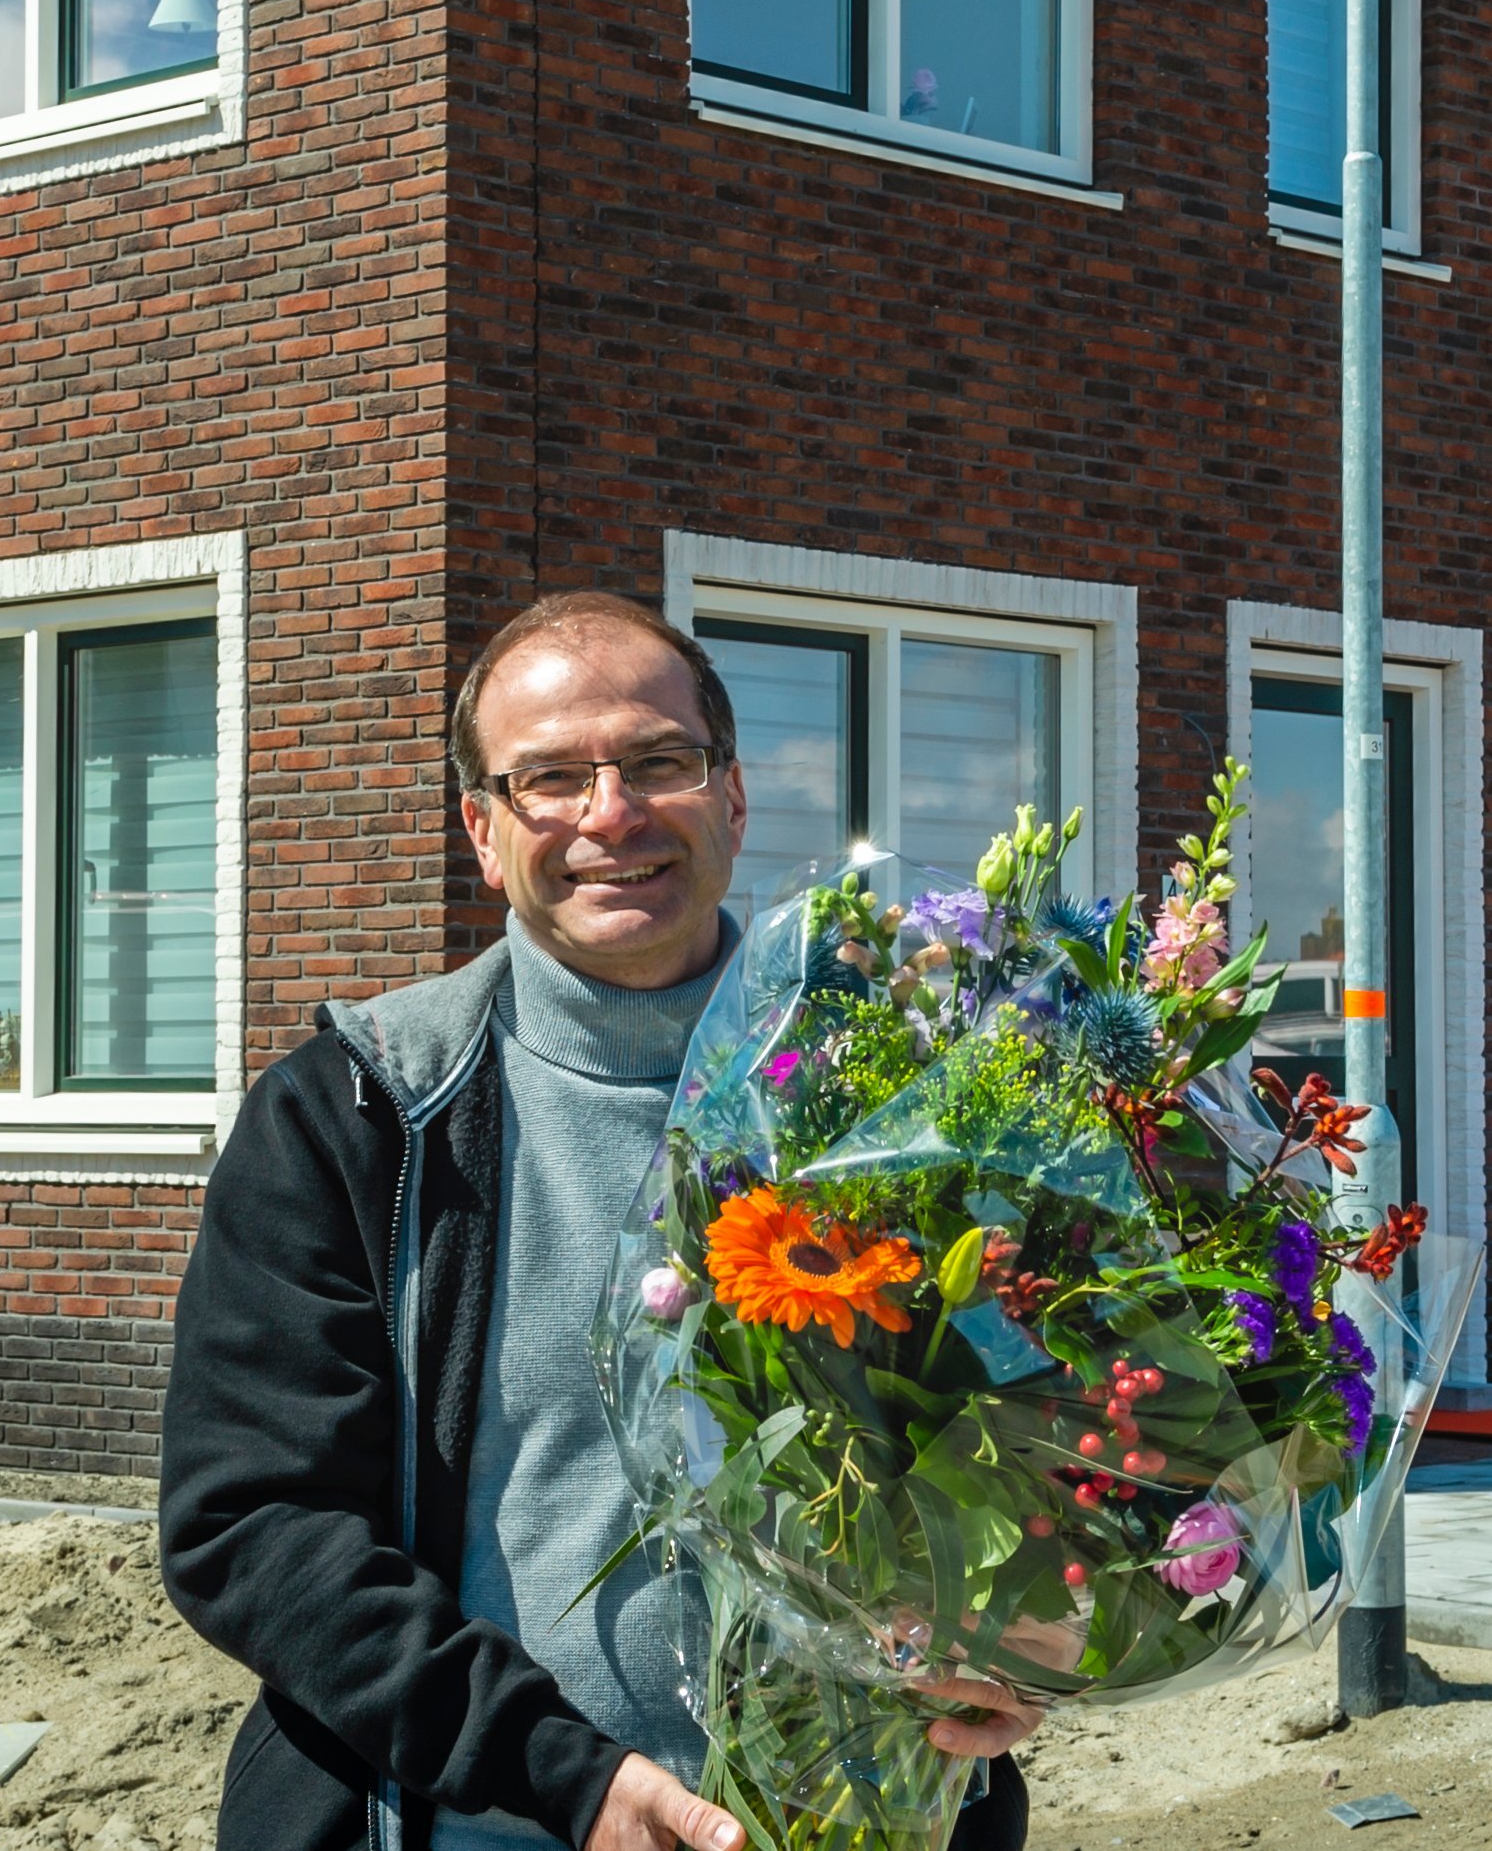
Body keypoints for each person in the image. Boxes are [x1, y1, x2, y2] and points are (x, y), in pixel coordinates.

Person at [161, 592, 1035, 1851]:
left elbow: (1041, 1428)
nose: (609, 814)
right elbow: (251, 1524)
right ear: (480, 827)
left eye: (658, 761)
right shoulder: (359, 1115)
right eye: (549, 778)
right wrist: (562, 1777)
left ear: (732, 798)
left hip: (869, 1821)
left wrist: (1017, 1638)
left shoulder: (911, 1086)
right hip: (476, 1828)